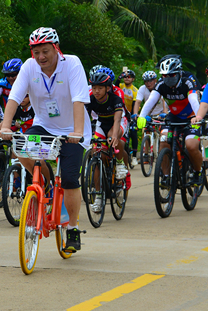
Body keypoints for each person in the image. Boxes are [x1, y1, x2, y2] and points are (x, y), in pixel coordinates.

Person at [0, 27, 90, 253]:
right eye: (36, 52)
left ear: (56, 48)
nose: (41, 57)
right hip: (44, 126)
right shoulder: (29, 67)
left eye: (46, 51)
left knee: (69, 179)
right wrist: (6, 126)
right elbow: (15, 97)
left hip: (72, 130)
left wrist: (77, 132)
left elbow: (79, 99)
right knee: (19, 148)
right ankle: (46, 183)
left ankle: (73, 228)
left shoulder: (72, 63)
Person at [141, 55, 202, 186]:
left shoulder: (188, 81)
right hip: (173, 117)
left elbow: (193, 100)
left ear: (179, 73)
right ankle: (166, 176)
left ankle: (197, 173)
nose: (167, 78)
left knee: (191, 145)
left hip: (191, 117)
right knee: (164, 140)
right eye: (164, 75)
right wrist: (141, 117)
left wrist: (198, 117)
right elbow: (151, 101)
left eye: (171, 75)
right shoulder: (161, 84)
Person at [86, 65, 131, 207]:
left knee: (113, 137)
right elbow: (85, 119)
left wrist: (115, 136)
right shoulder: (90, 97)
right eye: (94, 88)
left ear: (108, 88)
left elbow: (117, 120)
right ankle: (98, 196)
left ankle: (119, 165)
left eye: (100, 88)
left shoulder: (116, 97)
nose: (96, 91)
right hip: (101, 122)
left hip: (118, 121)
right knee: (97, 154)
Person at [117, 67, 139, 165]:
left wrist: (133, 116)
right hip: (119, 113)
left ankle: (134, 156)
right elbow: (114, 87)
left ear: (133, 79)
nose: (127, 78)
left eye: (129, 77)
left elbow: (135, 104)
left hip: (130, 114)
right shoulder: (121, 86)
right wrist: (118, 78)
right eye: (125, 77)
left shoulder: (135, 90)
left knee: (133, 132)